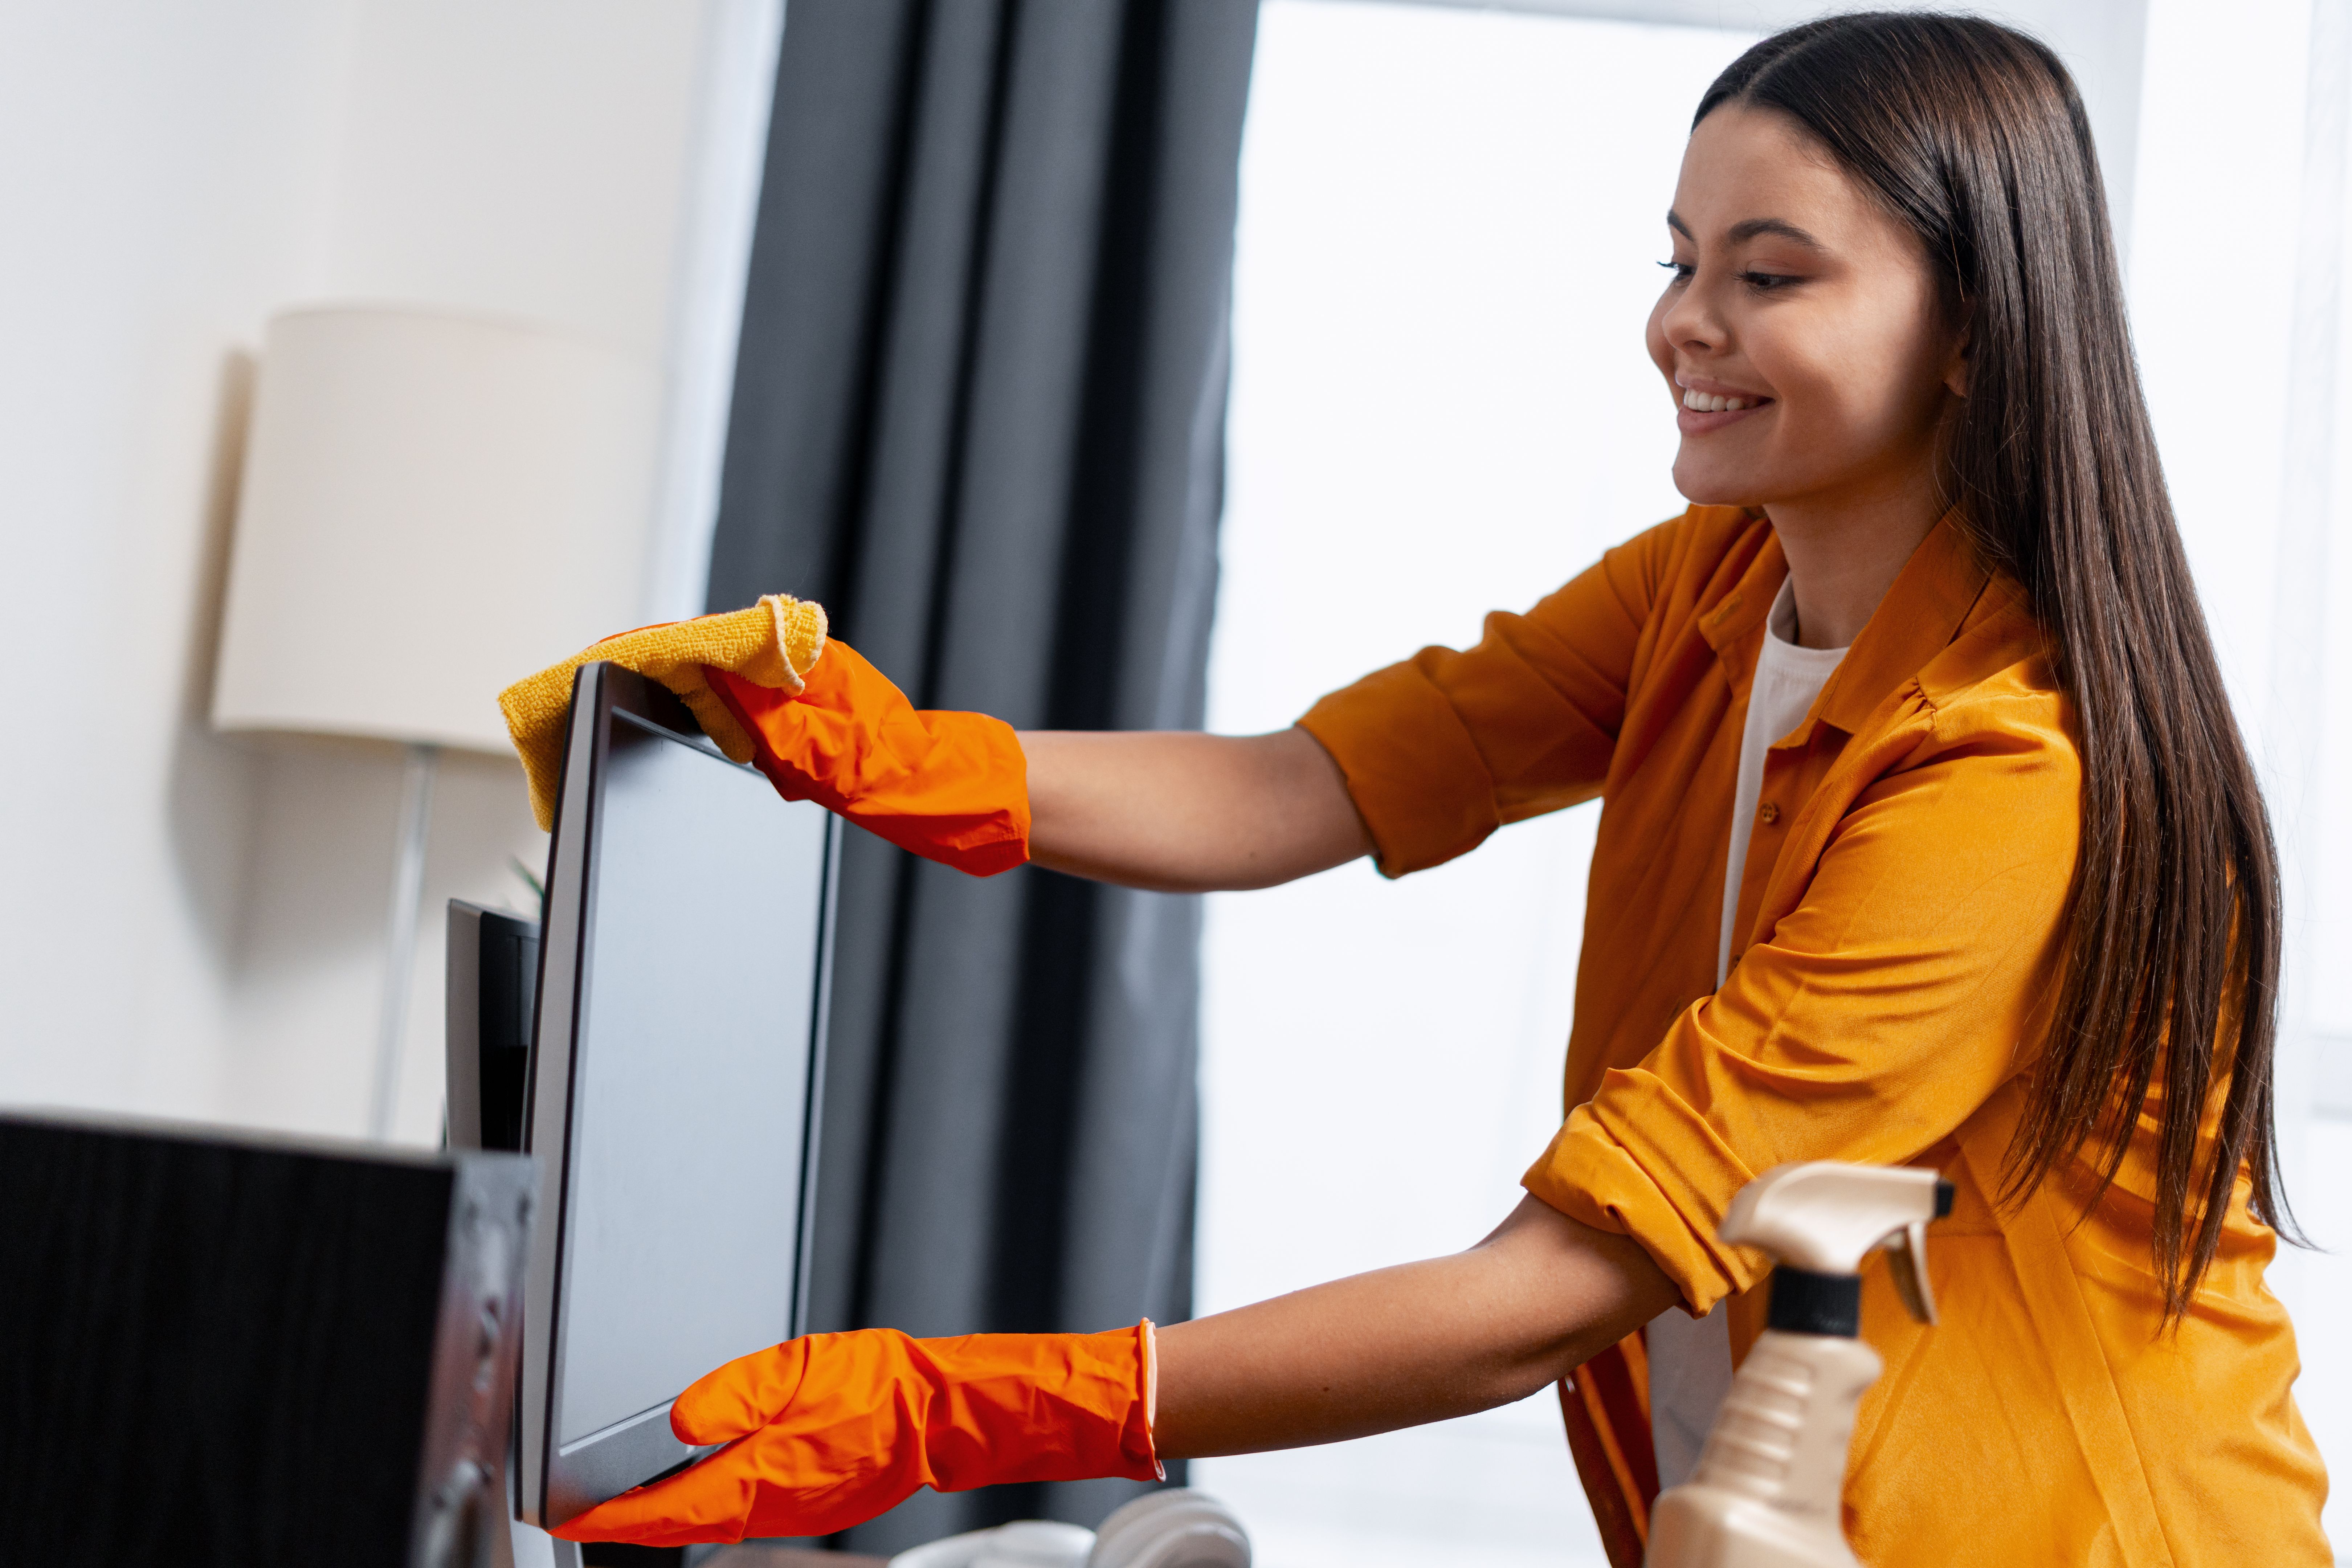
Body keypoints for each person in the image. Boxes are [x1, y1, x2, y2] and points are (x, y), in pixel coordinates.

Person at [541, 12, 2330, 1564]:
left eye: (1768, 274)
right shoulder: (1711, 586)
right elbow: (1313, 784)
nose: (1683, 325)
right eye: (1679, 259)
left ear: (1970, 327)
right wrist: (908, 763)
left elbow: (1554, 1292)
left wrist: (962, 1412)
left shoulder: (2010, 772)